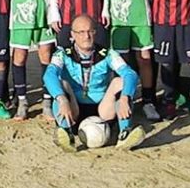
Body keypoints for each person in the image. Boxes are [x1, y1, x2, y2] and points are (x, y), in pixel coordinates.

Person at [44, 15, 146, 152]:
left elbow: (130, 74)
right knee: (62, 84)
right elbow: (49, 75)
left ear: (95, 32)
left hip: (103, 110)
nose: (86, 36)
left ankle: (124, 134)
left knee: (119, 82)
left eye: (90, 31)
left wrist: (125, 97)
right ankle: (66, 133)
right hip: (73, 110)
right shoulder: (62, 54)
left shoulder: (107, 54)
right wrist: (61, 99)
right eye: (81, 32)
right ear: (72, 35)